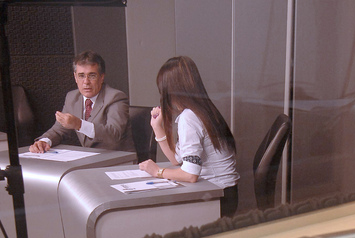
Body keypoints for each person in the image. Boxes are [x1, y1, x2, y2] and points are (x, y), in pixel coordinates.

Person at [138, 56, 240, 218]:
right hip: (226, 193)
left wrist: (157, 171)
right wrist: (157, 127)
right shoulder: (203, 110)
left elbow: (190, 175)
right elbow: (177, 160)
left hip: (218, 197)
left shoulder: (189, 118)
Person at [29, 51, 134, 153]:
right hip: (90, 158)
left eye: (92, 76)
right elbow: (59, 129)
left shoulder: (115, 97)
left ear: (101, 77)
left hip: (117, 159)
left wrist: (79, 124)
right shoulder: (72, 97)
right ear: (75, 77)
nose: (86, 82)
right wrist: (44, 141)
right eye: (81, 76)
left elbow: (114, 134)